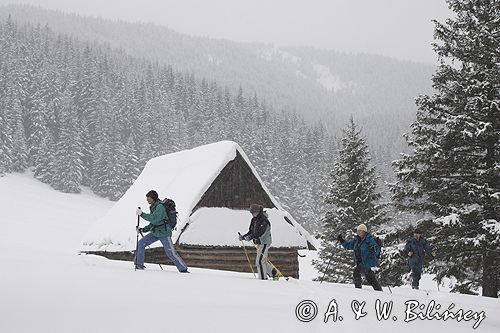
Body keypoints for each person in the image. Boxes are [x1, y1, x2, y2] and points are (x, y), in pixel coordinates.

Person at [134, 190, 188, 273]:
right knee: (141, 243)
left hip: (164, 233)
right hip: (155, 232)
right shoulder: (153, 206)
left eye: (148, 198)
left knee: (171, 253)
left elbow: (154, 218)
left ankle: (183, 269)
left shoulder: (160, 207)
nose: (147, 200)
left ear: (152, 198)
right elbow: (154, 222)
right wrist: (143, 229)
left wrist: (142, 214)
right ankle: (139, 264)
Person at [337, 223, 382, 291]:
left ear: (364, 231)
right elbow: (348, 246)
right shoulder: (356, 240)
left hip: (367, 261)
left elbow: (377, 248)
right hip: (360, 262)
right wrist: (341, 240)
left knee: (357, 273)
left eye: (360, 231)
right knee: (370, 278)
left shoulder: (369, 239)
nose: (358, 232)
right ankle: (378, 290)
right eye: (358, 231)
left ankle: (358, 290)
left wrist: (375, 249)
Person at [239, 204, 277, 280]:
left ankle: (263, 279)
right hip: (259, 243)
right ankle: (273, 272)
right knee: (262, 260)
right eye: (251, 213)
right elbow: (251, 231)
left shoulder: (264, 220)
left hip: (264, 242)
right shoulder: (254, 220)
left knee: (259, 261)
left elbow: (261, 232)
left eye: (254, 213)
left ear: (258, 211)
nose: (252, 214)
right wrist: (243, 237)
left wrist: (250, 237)